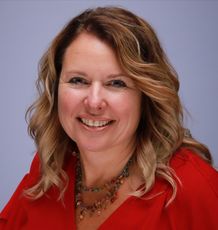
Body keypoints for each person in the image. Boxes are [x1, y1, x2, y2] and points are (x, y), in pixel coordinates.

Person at [0, 6, 217, 230]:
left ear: (146, 96)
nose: (94, 102)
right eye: (77, 80)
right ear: (55, 89)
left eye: (116, 83)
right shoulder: (51, 169)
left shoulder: (192, 187)